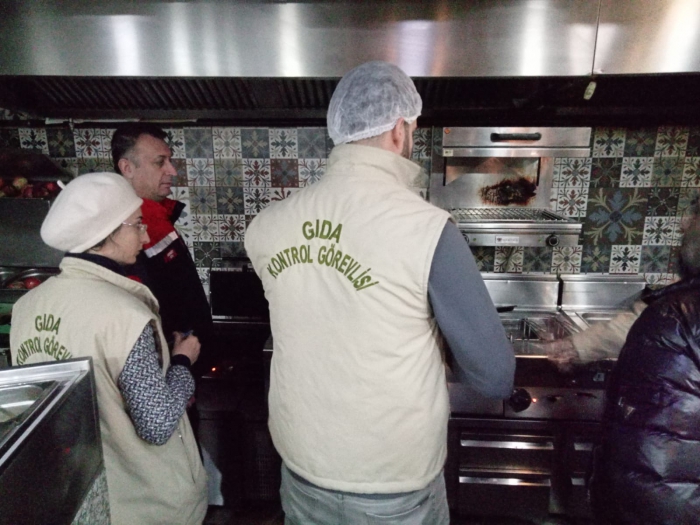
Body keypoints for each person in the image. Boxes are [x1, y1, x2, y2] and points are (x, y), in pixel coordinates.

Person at [244, 61, 515, 524]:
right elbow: (494, 375)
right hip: (393, 487)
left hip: (303, 470)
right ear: (398, 130)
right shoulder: (427, 229)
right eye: (412, 129)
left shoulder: (266, 226)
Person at [10, 172, 207, 525]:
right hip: (143, 504)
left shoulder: (27, 306)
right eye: (137, 225)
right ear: (106, 233)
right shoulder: (124, 314)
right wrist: (182, 360)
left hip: (77, 494)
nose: (145, 236)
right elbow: (158, 423)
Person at [588, 198, 700, 524]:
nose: (683, 225)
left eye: (693, 216)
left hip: (666, 505)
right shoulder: (678, 308)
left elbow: (644, 452)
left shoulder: (675, 315)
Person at [111, 123, 213, 375]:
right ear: (127, 168)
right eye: (160, 162)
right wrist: (175, 363)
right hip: (166, 366)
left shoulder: (156, 217)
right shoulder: (120, 232)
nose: (172, 171)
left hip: (184, 358)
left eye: (170, 160)